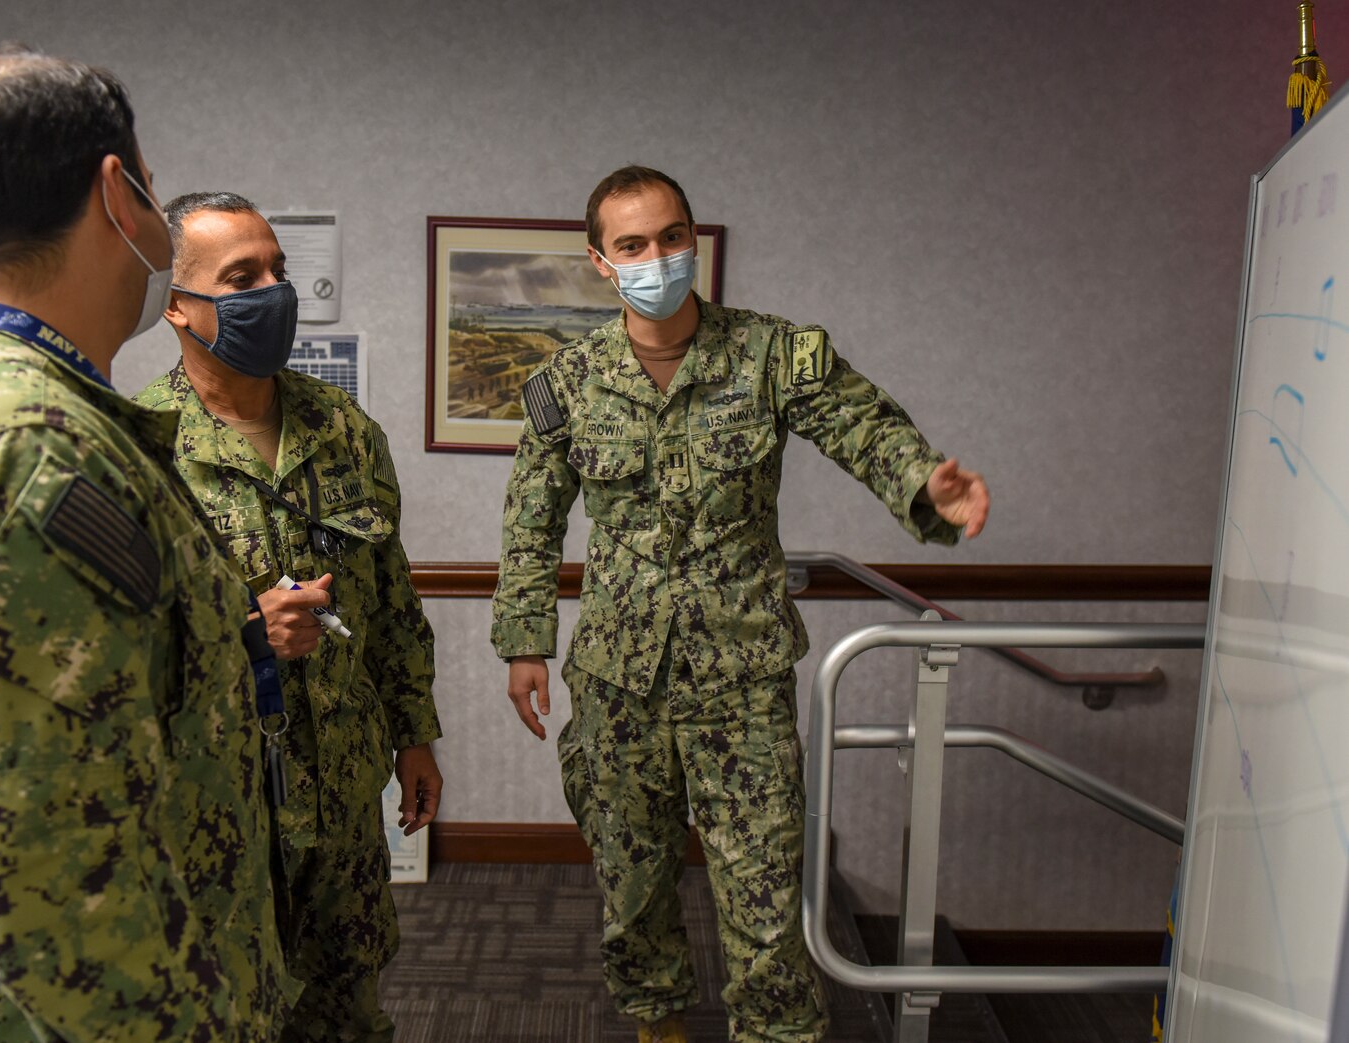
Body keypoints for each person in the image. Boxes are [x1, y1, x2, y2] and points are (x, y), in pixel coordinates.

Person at [493, 165, 991, 1043]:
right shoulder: (566, 385)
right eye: (634, 245)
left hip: (741, 679)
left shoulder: (771, 355)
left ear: (696, 239)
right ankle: (657, 1023)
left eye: (672, 237)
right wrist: (525, 643)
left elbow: (860, 424)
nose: (658, 257)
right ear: (601, 263)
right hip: (619, 680)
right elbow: (532, 520)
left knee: (763, 892)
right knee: (632, 880)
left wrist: (925, 485)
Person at [0, 49, 298, 1040]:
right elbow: (50, 865)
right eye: (153, 189)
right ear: (119, 194)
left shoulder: (16, 401)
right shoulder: (20, 441)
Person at [134, 191, 443, 1043]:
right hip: (222, 813)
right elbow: (122, 658)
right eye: (243, 277)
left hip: (344, 795)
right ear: (178, 306)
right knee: (234, 1018)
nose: (275, 291)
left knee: (350, 1012)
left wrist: (415, 734)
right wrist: (244, 637)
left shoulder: (343, 428)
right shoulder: (142, 449)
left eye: (277, 270)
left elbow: (391, 597)